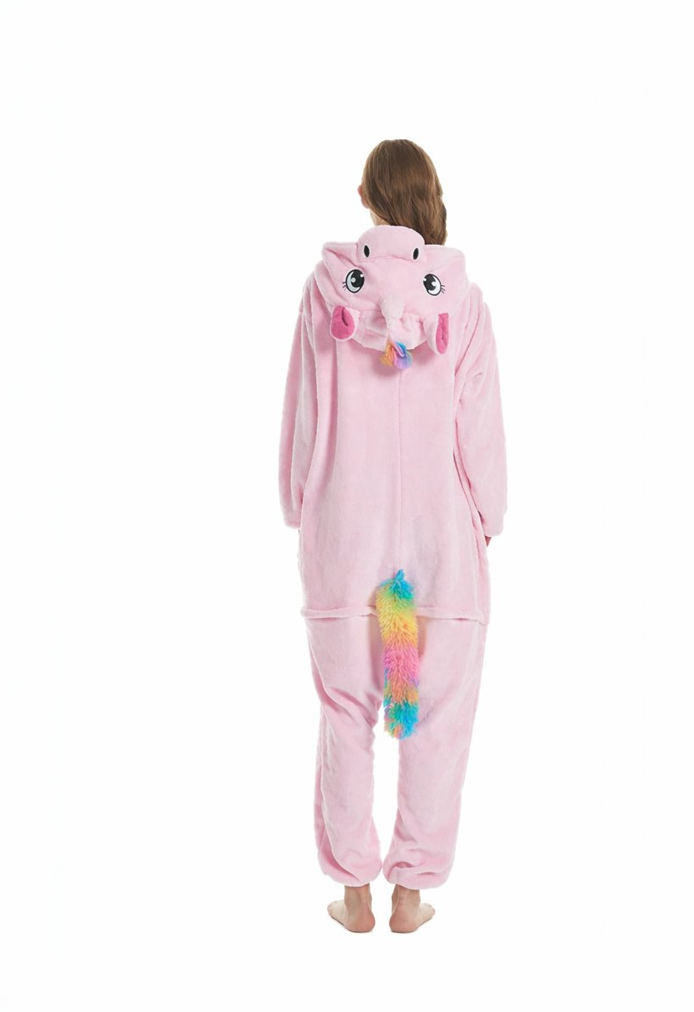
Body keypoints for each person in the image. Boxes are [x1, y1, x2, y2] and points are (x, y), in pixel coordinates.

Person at [278, 139, 507, 932]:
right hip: (439, 549)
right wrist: (488, 515)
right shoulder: (462, 302)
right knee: (432, 717)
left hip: (347, 539)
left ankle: (355, 894)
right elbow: (480, 428)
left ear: (366, 195)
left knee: (348, 712)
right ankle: (411, 894)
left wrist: (299, 502)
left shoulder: (326, 290)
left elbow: (306, 411)